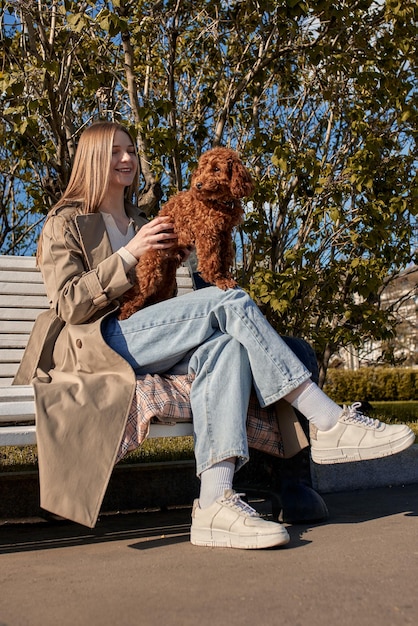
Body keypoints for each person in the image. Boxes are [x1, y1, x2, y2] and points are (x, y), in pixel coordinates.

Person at [15, 121, 414, 550]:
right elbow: (70, 304)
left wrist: (179, 258)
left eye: (130, 150)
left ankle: (215, 503)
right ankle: (329, 422)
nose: (127, 159)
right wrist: (130, 253)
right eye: (115, 152)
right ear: (93, 158)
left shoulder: (144, 218)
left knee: (227, 348)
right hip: (96, 343)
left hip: (146, 338)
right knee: (230, 300)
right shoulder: (65, 221)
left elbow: (160, 294)